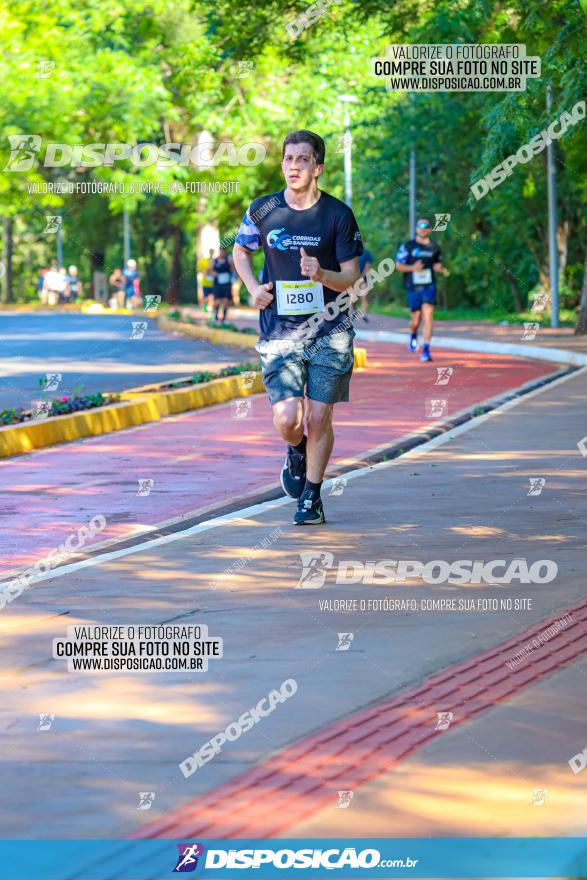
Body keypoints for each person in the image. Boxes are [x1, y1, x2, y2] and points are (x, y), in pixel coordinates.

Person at [233, 129, 363, 525]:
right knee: (289, 419)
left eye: (302, 160)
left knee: (320, 418)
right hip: (280, 331)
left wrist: (321, 273)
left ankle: (311, 496)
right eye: (288, 159)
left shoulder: (337, 215)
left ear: (318, 167)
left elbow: (353, 280)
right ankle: (296, 449)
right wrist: (253, 287)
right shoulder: (263, 209)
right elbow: (240, 250)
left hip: (330, 332)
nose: (293, 166)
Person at [395, 218, 449, 363]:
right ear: (416, 229)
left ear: (430, 229)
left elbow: (439, 264)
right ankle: (413, 335)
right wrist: (413, 268)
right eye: (420, 226)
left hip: (429, 286)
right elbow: (398, 266)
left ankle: (426, 350)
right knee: (415, 321)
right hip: (413, 287)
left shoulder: (435, 248)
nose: (423, 228)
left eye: (426, 226)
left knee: (428, 315)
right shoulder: (408, 246)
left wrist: (440, 269)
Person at [212, 247, 233, 323]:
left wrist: (232, 262)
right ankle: (216, 317)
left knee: (226, 301)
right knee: (217, 301)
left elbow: (233, 269)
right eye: (221, 252)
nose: (222, 253)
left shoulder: (229, 260)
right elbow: (208, 271)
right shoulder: (215, 261)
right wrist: (214, 273)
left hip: (226, 284)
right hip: (217, 284)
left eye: (224, 252)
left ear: (225, 252)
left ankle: (223, 319)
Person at [357, 243, 373, 322]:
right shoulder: (351, 252)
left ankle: (364, 315)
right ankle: (350, 315)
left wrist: (361, 276)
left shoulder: (366, 253)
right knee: (350, 299)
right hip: (351, 280)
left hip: (363, 280)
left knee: (364, 298)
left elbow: (368, 266)